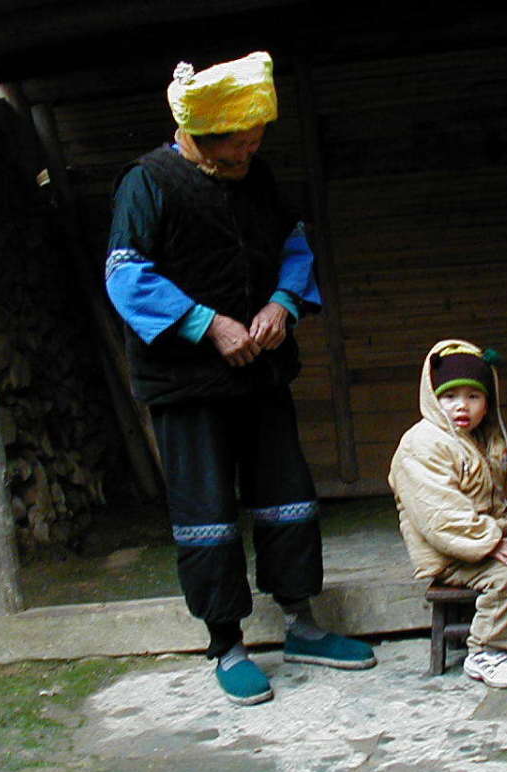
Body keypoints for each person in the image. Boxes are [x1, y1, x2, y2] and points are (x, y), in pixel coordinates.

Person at [104, 51, 375, 706]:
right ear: (199, 134)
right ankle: (226, 643)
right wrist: (206, 324)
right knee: (206, 515)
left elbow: (293, 245)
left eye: (257, 140)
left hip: (261, 375)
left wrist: (282, 302)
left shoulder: (258, 176)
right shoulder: (147, 183)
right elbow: (125, 276)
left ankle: (302, 625)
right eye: (239, 142)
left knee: (287, 497)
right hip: (187, 385)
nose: (250, 152)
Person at [388, 340, 507, 688]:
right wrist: (492, 543)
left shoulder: (489, 437)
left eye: (473, 396)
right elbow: (440, 513)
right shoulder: (422, 444)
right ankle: (487, 652)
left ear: (488, 402)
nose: (461, 406)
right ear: (433, 399)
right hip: (450, 550)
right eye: (450, 397)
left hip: (489, 535)